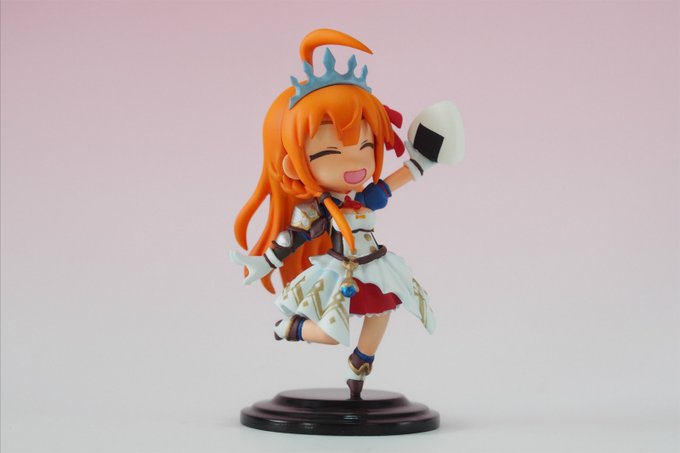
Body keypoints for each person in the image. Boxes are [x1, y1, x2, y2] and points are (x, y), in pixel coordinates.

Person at [232, 28, 463, 398]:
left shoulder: (363, 199)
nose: (355, 162)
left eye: (365, 145)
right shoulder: (319, 211)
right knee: (329, 333)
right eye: (330, 152)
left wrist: (424, 161)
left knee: (383, 310)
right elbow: (294, 238)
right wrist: (266, 261)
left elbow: (394, 182)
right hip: (340, 270)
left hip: (372, 264)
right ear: (293, 165)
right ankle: (291, 328)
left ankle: (360, 363)